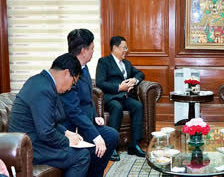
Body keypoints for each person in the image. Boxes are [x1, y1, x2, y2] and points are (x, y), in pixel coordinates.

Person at [8, 53, 90, 177]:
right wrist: (68, 141)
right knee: (82, 156)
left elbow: (50, 121)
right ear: (66, 73)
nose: (70, 88)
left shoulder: (41, 81)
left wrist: (66, 133)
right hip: (29, 147)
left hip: (32, 140)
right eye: (73, 82)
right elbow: (46, 132)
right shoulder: (44, 89)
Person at [60, 29, 119, 175]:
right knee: (103, 139)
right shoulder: (68, 72)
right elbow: (73, 110)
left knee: (111, 135)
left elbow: (87, 98)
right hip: (74, 127)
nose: (93, 52)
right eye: (92, 48)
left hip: (86, 122)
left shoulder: (84, 68)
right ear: (83, 50)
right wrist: (95, 135)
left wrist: (94, 116)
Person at [95, 36, 145, 159]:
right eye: (124, 48)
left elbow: (140, 74)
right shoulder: (104, 62)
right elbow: (100, 83)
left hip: (124, 97)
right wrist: (118, 87)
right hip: (110, 97)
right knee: (117, 107)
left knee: (138, 106)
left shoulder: (126, 64)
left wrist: (135, 79)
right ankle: (111, 147)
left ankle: (133, 145)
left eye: (126, 48)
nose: (126, 50)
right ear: (115, 48)